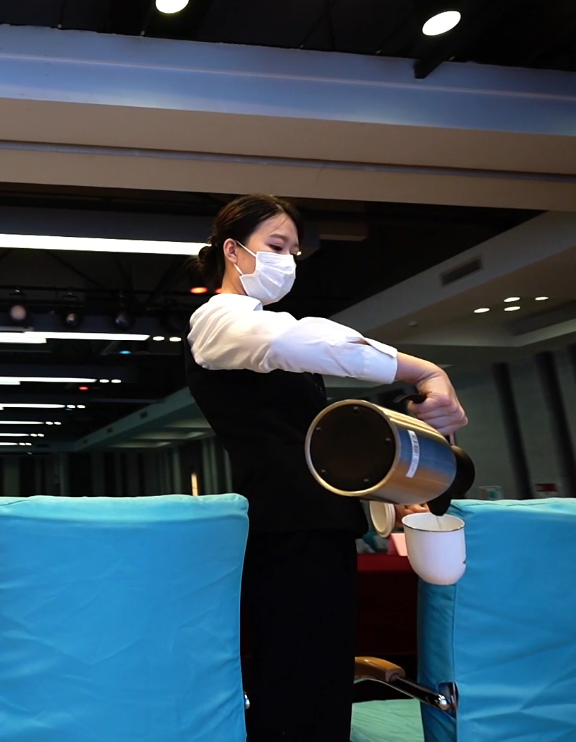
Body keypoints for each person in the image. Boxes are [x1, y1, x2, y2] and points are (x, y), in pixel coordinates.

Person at [184, 194, 467, 741]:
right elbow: (308, 339)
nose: (287, 260)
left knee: (320, 677)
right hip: (288, 526)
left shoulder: (260, 330)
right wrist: (425, 370)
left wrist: (393, 489)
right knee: (300, 680)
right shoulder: (218, 319)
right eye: (275, 245)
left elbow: (316, 439)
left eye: (294, 251)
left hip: (318, 522)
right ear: (232, 251)